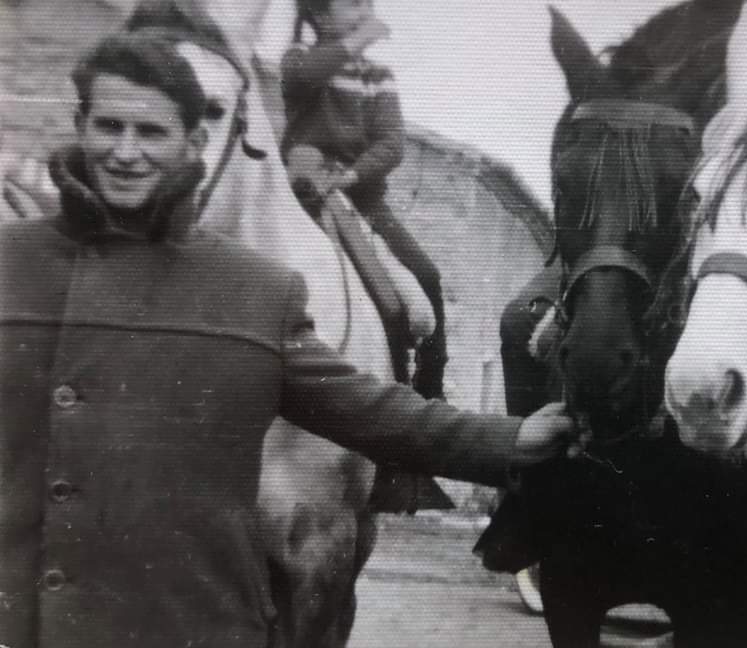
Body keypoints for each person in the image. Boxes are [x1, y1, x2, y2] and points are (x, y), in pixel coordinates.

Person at [0, 32, 576, 648]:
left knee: (410, 294)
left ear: (197, 141)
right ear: (79, 126)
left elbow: (365, 408)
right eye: (108, 127)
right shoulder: (11, 265)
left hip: (189, 622)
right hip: (34, 621)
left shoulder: (255, 290)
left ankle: (406, 462)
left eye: (151, 132)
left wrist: (513, 437)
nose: (126, 152)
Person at [280, 0, 448, 402]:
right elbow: (305, 76)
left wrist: (351, 175)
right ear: (320, 16)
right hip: (305, 196)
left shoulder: (378, 76)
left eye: (369, 4)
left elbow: (391, 144)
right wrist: (357, 40)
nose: (365, 12)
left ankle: (427, 388)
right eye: (353, 4)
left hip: (365, 203)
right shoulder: (298, 59)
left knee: (425, 275)